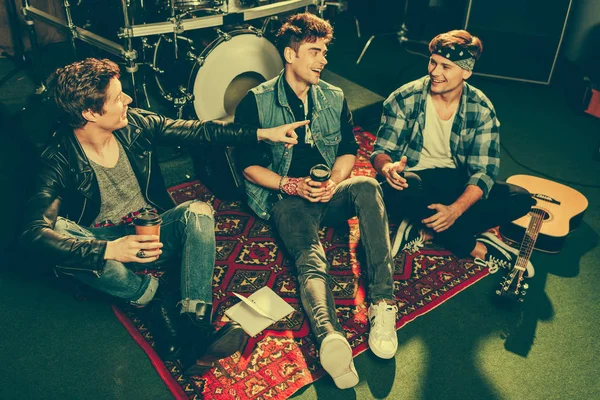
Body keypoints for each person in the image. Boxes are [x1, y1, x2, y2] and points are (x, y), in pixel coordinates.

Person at [19, 58, 309, 376]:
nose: (128, 100)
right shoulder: (57, 159)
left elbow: (200, 131)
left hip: (150, 231)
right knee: (60, 230)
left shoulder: (136, 124)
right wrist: (107, 250)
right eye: (117, 98)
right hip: (107, 250)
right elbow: (32, 233)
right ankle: (154, 297)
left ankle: (194, 322)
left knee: (198, 212)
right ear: (90, 113)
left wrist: (261, 134)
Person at [234, 13, 398, 389]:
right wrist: (292, 186)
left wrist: (334, 182)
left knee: (368, 186)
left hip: (327, 190)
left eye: (324, 51)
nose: (323, 60)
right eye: (314, 51)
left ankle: (382, 304)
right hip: (285, 196)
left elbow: (346, 150)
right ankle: (330, 336)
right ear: (290, 55)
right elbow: (247, 167)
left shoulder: (333, 96)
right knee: (311, 256)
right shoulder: (256, 102)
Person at [371, 30, 535, 276]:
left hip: (452, 182)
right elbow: (381, 152)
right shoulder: (404, 97)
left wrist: (455, 209)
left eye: (446, 66)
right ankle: (470, 245)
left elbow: (484, 171)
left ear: (466, 72)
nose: (435, 72)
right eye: (433, 62)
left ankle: (422, 227)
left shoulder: (481, 108)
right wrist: (387, 168)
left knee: (520, 198)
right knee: (399, 188)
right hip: (414, 179)